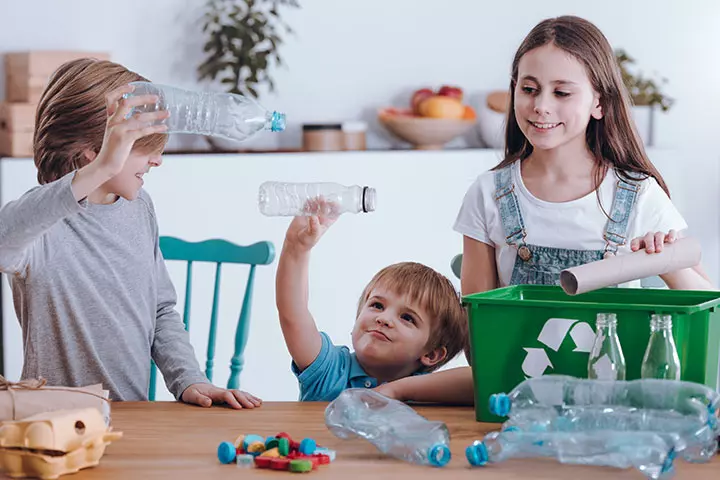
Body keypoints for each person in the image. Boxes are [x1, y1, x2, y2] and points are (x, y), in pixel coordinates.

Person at [375, 15, 714, 405]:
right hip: (519, 401)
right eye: (529, 89)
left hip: (616, 403)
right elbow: (477, 337)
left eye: (562, 93)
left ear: (599, 103)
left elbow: (707, 307)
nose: (541, 106)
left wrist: (666, 261)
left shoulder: (638, 195)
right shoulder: (490, 194)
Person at [0, 58, 261, 409]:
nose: (158, 161)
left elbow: (160, 309)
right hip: (53, 423)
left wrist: (189, 379)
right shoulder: (41, 224)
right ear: (93, 152)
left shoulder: (140, 209)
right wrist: (102, 168)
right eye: (145, 146)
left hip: (130, 416)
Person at [275, 210, 468, 401]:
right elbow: (294, 314)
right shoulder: (330, 370)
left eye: (407, 318)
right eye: (377, 305)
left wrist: (398, 390)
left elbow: (477, 382)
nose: (383, 319)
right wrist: (296, 248)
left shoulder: (428, 392)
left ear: (432, 354)